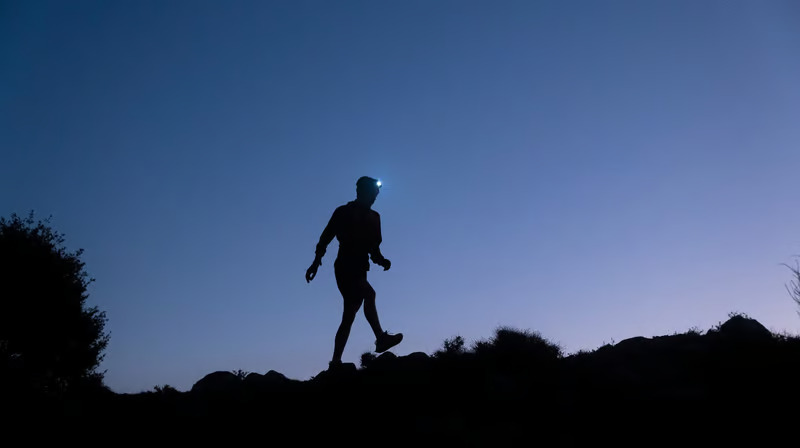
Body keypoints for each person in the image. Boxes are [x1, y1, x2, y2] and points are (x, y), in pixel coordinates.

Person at [306, 176, 403, 369]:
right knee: (369, 294)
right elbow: (325, 237)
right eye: (372, 193)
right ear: (361, 192)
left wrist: (381, 260)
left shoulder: (375, 218)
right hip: (344, 266)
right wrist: (316, 262)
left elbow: (373, 249)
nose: (374, 197)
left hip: (360, 268)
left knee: (348, 316)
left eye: (376, 195)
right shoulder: (343, 212)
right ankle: (381, 338)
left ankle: (335, 362)